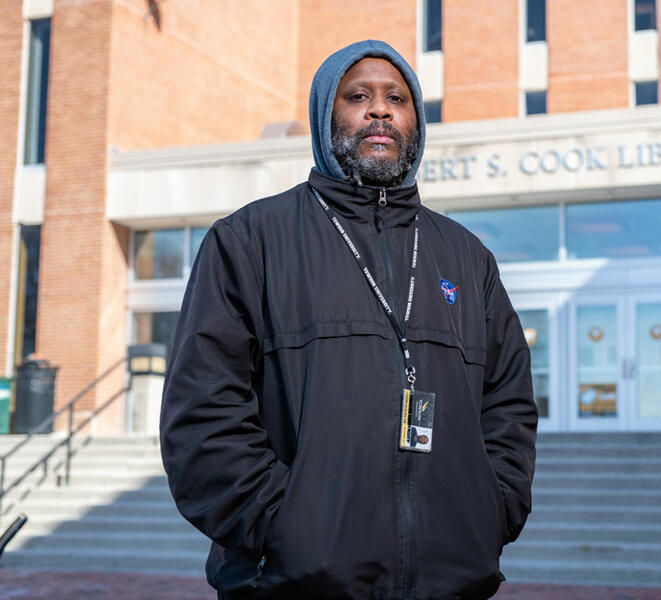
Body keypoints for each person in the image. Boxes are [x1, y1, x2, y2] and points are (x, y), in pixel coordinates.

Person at [159, 39, 538, 600]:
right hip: (294, 584)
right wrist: (283, 527)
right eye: (358, 96)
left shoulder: (466, 257)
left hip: (451, 582)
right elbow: (202, 411)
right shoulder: (248, 241)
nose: (379, 110)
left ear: (416, 122)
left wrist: (492, 509)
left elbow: (508, 404)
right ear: (324, 114)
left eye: (397, 99)